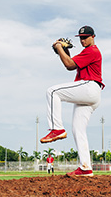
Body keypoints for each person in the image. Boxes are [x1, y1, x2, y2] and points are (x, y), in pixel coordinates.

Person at [41, 25, 104, 177]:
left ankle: (57, 128)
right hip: (89, 95)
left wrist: (58, 46)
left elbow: (69, 65)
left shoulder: (92, 51)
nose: (83, 40)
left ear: (93, 37)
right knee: (78, 130)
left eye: (85, 37)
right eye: (80, 38)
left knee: (52, 91)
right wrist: (63, 50)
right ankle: (85, 168)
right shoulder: (86, 52)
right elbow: (70, 61)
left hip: (89, 87)